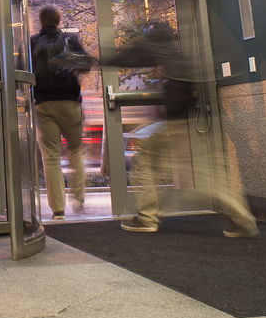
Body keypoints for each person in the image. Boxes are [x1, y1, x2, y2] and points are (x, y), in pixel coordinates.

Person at [105, 24, 258, 238]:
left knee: (143, 164)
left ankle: (147, 219)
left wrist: (102, 59)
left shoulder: (164, 52)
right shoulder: (179, 56)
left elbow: (133, 59)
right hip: (183, 125)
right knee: (209, 176)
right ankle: (244, 221)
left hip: (177, 128)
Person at [30, 5, 88, 220]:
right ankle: (79, 197)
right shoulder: (70, 39)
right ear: (58, 19)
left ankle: (58, 210)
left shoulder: (32, 42)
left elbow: (23, 71)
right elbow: (86, 64)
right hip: (70, 101)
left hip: (43, 103)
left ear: (40, 21)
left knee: (51, 158)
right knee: (76, 150)